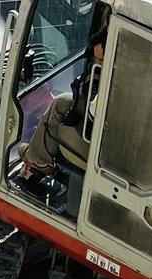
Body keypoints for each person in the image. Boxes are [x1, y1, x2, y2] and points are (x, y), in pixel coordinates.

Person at [18, 28, 107, 177]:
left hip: (99, 146)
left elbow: (93, 112)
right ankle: (38, 156)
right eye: (96, 59)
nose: (97, 64)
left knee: (61, 107)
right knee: (63, 102)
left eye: (102, 60)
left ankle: (38, 160)